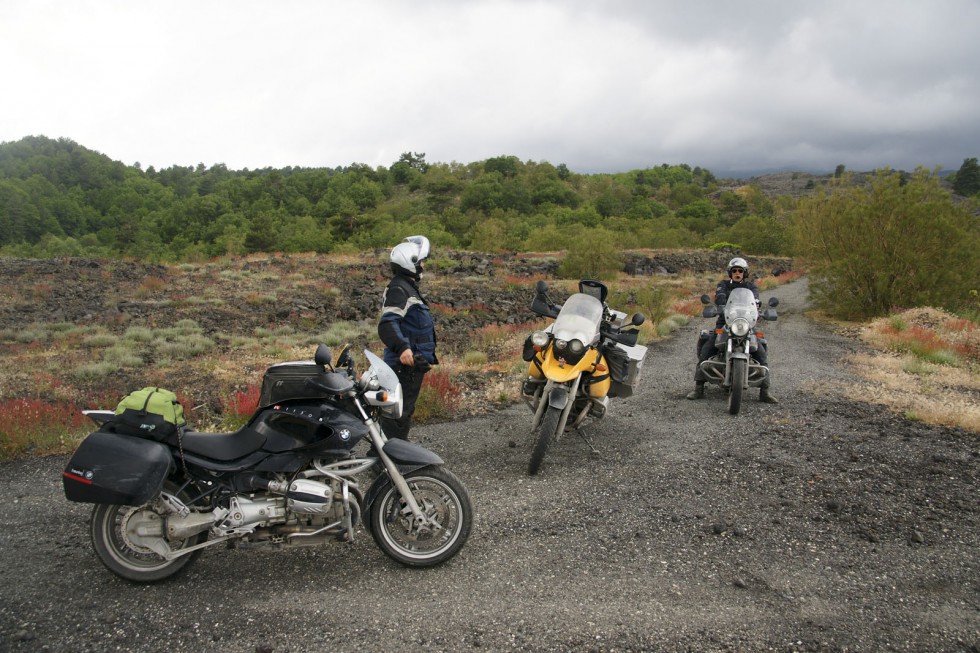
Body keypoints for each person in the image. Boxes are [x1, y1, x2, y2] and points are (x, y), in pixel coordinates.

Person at [686, 257, 778, 403]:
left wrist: (758, 306)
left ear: (744, 273)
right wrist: (720, 303)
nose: (737, 273)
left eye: (740, 271)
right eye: (734, 270)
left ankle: (765, 391)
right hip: (725, 323)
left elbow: (755, 300)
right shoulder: (722, 285)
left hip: (746, 324)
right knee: (708, 348)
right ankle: (698, 388)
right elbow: (720, 297)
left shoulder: (751, 287)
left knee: (760, 352)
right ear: (730, 272)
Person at [377, 235, 439, 440]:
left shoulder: (406, 287)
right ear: (410, 263)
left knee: (402, 412)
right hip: (402, 366)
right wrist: (403, 348)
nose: (423, 266)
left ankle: (392, 456)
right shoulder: (399, 289)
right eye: (421, 261)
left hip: (411, 365)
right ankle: (388, 462)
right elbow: (387, 324)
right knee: (397, 415)